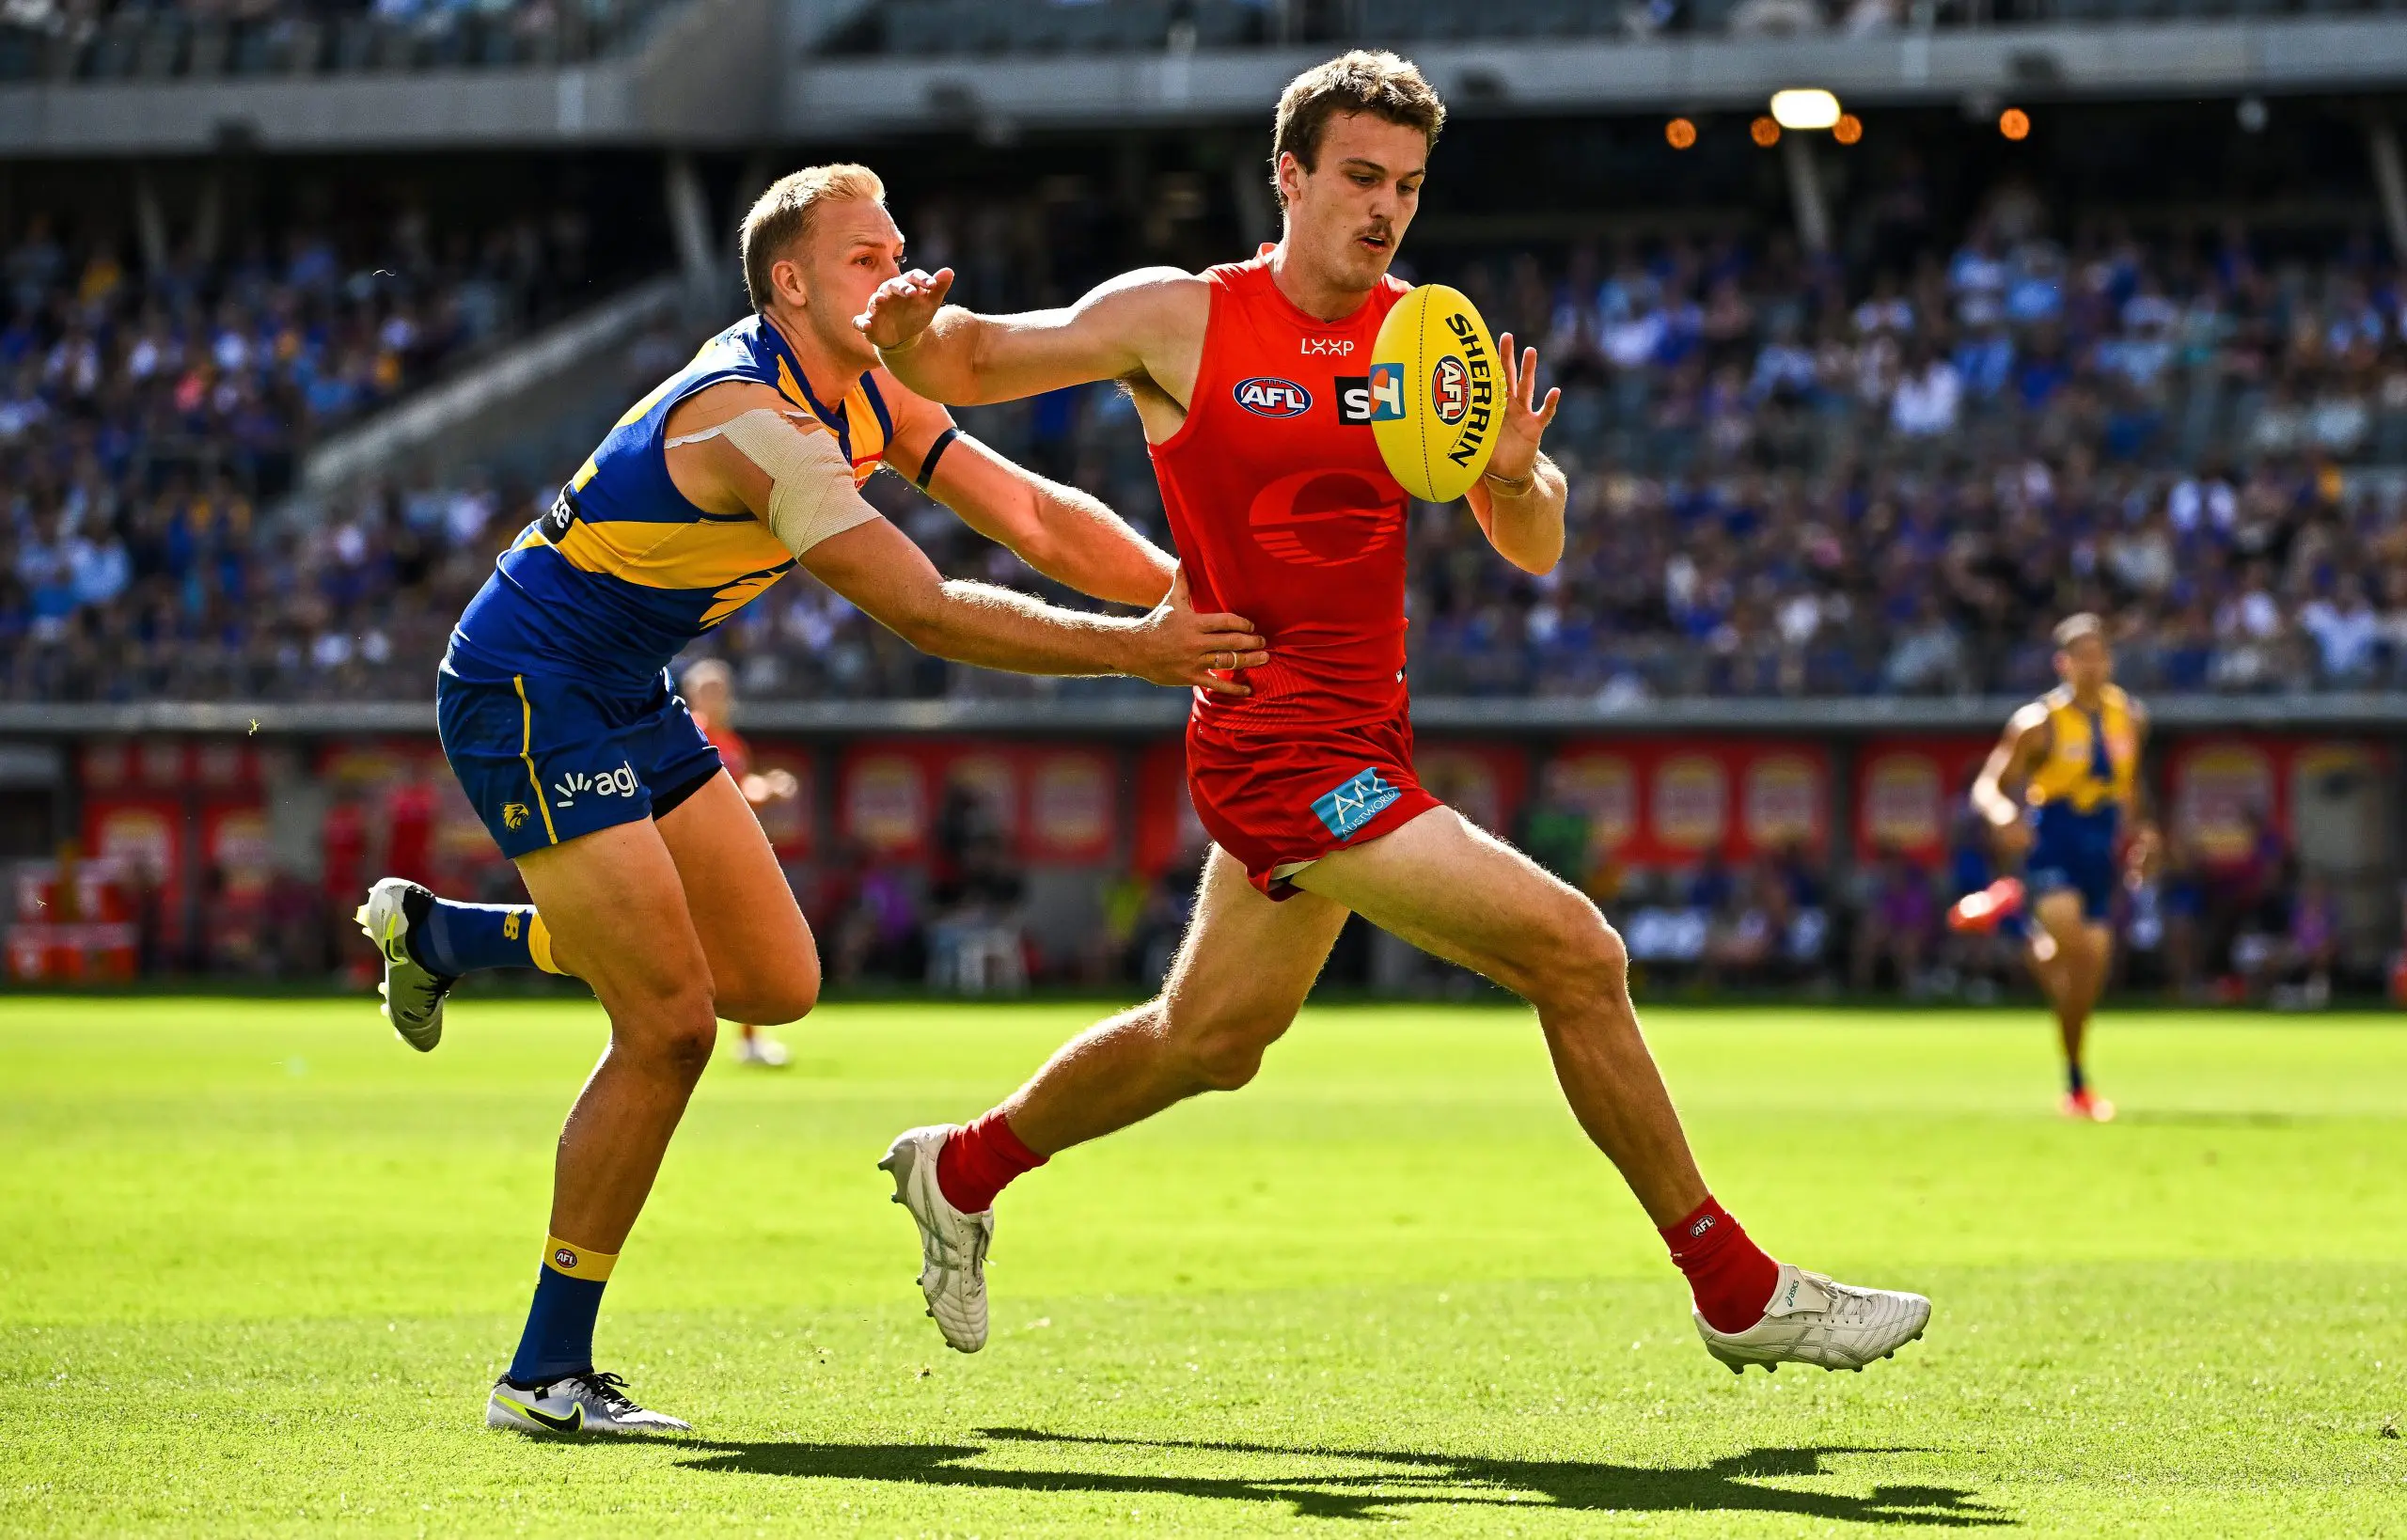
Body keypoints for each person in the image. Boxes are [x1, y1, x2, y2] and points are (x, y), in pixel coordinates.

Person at [858, 52, 1931, 1377]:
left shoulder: (1425, 335)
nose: (1385, 211)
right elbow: (973, 358)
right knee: (1577, 954)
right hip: (1273, 749)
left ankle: (959, 1167)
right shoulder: (1180, 318)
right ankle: (1733, 1282)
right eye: (1361, 178)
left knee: (1212, 1040)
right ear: (1290, 176)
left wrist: (1524, 474)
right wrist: (909, 334)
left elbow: (1528, 540)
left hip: (1366, 738)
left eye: (1410, 187)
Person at [354, 163, 1269, 1438]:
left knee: (775, 983)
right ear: (790, 284)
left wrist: (1192, 600)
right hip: (529, 685)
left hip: (624, 683)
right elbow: (924, 609)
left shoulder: (867, 389)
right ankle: (543, 1372)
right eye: (863, 257)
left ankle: (444, 934)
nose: (897, 270)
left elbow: (1030, 516)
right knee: (670, 1021)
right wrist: (1140, 651)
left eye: (899, 245)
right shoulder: (753, 420)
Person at [1956, 613, 2156, 1120]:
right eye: (2081, 657)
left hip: (2100, 845)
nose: (2092, 667)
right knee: (2071, 938)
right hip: (2054, 841)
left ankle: (2075, 1077)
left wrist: (2142, 837)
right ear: (2062, 664)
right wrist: (2004, 815)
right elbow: (1988, 784)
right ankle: (2029, 919)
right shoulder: (2037, 723)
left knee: (2090, 967)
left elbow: (2131, 789)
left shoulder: (2129, 717)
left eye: (2099, 655)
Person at [676, 656, 797, 1066]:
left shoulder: (729, 742)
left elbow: (738, 791)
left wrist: (767, 787)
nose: (719, 697)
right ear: (692, 693)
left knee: (742, 945)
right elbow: (718, 795)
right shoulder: (688, 732)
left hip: (723, 858)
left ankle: (747, 1040)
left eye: (722, 689)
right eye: (710, 689)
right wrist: (766, 790)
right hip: (694, 858)